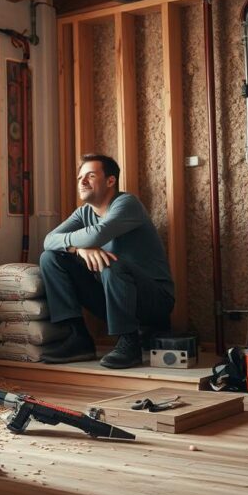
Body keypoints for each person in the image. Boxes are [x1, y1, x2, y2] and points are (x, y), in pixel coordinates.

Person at [39, 154, 175, 368]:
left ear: (110, 181)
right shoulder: (83, 213)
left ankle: (129, 343)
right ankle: (79, 338)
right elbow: (48, 240)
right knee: (50, 258)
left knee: (111, 263)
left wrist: (84, 244)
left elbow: (97, 235)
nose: (82, 182)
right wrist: (78, 249)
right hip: (114, 298)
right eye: (80, 177)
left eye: (90, 176)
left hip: (154, 301)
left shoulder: (127, 203)